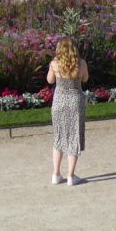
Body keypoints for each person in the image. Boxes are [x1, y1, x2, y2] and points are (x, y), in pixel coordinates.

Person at [47, 38, 89, 185]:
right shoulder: (81, 63)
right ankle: (70, 175)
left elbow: (50, 80)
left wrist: (53, 70)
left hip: (59, 102)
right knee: (73, 137)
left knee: (59, 137)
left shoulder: (54, 63)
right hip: (74, 102)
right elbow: (85, 79)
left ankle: (56, 173)